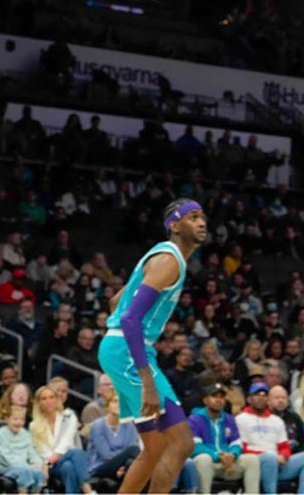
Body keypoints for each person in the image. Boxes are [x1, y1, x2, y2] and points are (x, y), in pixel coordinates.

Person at [97, 198, 206, 493]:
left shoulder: (162, 257)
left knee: (156, 447)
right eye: (193, 217)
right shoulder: (168, 261)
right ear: (175, 225)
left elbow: (115, 302)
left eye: (202, 217)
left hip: (120, 349)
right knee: (181, 443)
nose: (201, 222)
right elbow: (129, 318)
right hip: (128, 352)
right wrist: (146, 381)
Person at [237, 382, 304, 494]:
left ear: (267, 400)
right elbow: (241, 448)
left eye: (264, 395)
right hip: (255, 464)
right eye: (257, 395)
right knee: (269, 458)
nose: (261, 398)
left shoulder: (276, 420)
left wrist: (283, 456)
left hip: (278, 463)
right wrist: (270, 456)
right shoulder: (241, 418)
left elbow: (284, 446)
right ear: (249, 399)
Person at [188, 382, 260, 494]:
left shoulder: (229, 419)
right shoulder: (194, 419)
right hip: (210, 463)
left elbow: (236, 442)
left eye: (221, 397)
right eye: (214, 396)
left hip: (228, 463)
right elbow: (195, 446)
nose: (218, 400)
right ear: (205, 400)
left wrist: (233, 454)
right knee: (203, 459)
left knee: (252, 460)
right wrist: (217, 456)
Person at [30, 385, 92, 494]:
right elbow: (42, 451)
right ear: (39, 403)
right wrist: (48, 463)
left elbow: (66, 442)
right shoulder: (34, 425)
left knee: (68, 466)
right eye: (44, 398)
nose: (48, 401)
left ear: (56, 399)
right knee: (76, 452)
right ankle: (88, 490)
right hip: (49, 465)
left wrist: (50, 461)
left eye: (51, 397)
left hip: (63, 460)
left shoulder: (68, 416)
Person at [86, 395, 141, 481]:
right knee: (134, 450)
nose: (119, 405)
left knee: (130, 462)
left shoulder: (129, 426)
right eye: (115, 401)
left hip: (121, 466)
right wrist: (120, 464)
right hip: (100, 467)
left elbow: (129, 452)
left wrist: (123, 466)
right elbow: (106, 455)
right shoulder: (98, 425)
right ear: (107, 406)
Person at [0, 406, 45, 493]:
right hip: (7, 467)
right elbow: (5, 457)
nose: (19, 422)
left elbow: (32, 452)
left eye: (22, 419)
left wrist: (39, 465)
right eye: (15, 419)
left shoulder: (25, 434)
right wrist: (26, 466)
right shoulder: (0, 434)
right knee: (25, 471)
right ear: (7, 419)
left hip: (26, 467)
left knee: (38, 472)